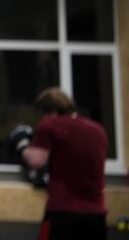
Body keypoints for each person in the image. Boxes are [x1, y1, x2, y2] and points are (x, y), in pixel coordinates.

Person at [21, 87, 108, 240]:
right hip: (96, 214)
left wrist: (21, 146)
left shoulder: (51, 125)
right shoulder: (98, 130)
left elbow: (36, 161)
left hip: (63, 212)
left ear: (50, 112)